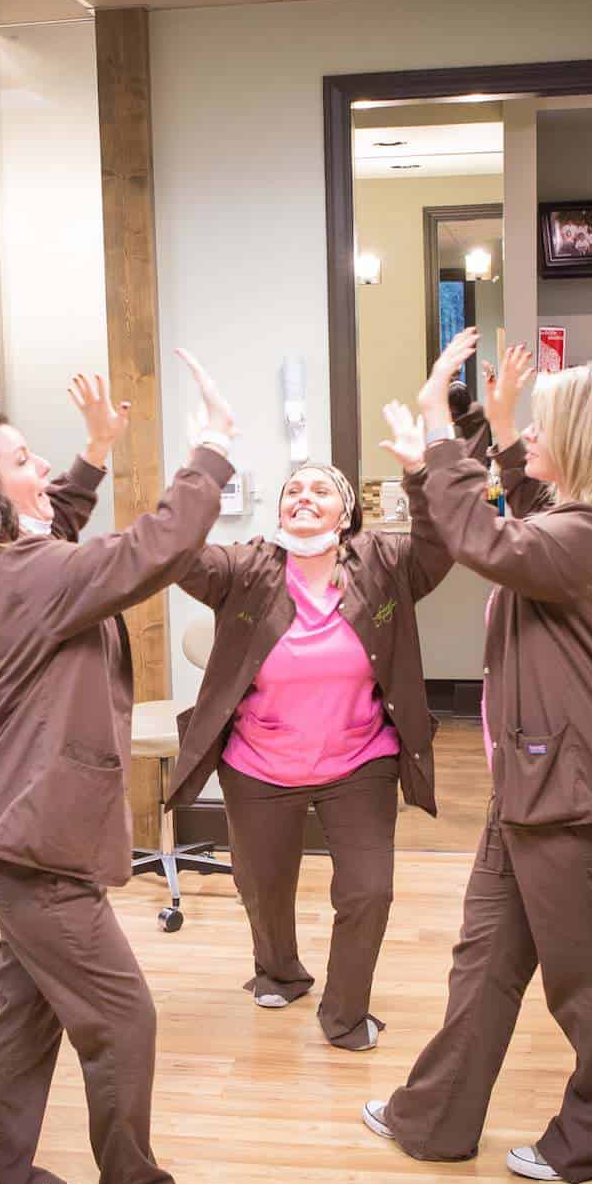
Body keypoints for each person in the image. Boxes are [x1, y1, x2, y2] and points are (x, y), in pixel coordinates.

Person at [0, 356, 236, 1184]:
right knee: (122, 1016)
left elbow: (60, 528)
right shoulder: (29, 575)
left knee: (25, 1013)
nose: (41, 465)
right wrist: (210, 449)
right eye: (23, 459)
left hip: (11, 829)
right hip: (29, 843)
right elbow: (146, 552)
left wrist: (93, 451)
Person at [360, 338, 592, 1184]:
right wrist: (492, 427)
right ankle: (435, 1117)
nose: (530, 432)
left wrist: (439, 425)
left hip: (572, 785)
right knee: (486, 957)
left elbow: (485, 538)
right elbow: (522, 515)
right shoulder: (576, 526)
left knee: (584, 978)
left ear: (585, 442)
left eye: (541, 423)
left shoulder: (591, 537)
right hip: (532, 777)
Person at [165, 333, 484, 1052]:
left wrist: (418, 472)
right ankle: (278, 970)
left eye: (320, 491)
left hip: (358, 760)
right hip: (258, 764)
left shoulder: (384, 562)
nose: (303, 496)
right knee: (262, 887)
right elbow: (175, 554)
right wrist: (202, 465)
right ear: (279, 513)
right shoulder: (245, 568)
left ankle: (344, 1013)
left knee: (369, 889)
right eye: (292, 491)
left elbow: (443, 546)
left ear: (345, 514)